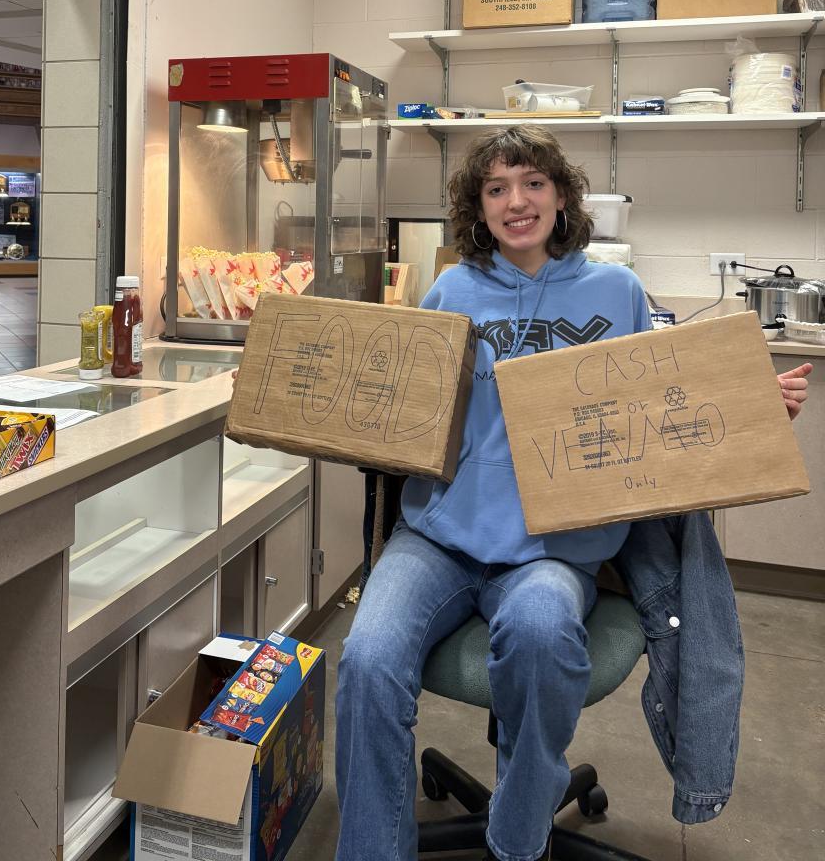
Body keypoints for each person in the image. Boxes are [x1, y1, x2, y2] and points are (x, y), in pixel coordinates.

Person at [334, 127, 810, 861]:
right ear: (479, 208)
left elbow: (668, 401)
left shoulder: (618, 293)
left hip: (555, 549)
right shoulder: (451, 291)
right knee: (366, 660)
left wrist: (750, 402)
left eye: (532, 183)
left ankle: (517, 840)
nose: (516, 202)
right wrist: (298, 388)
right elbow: (399, 402)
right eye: (496, 189)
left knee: (542, 634)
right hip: (439, 537)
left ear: (561, 196)